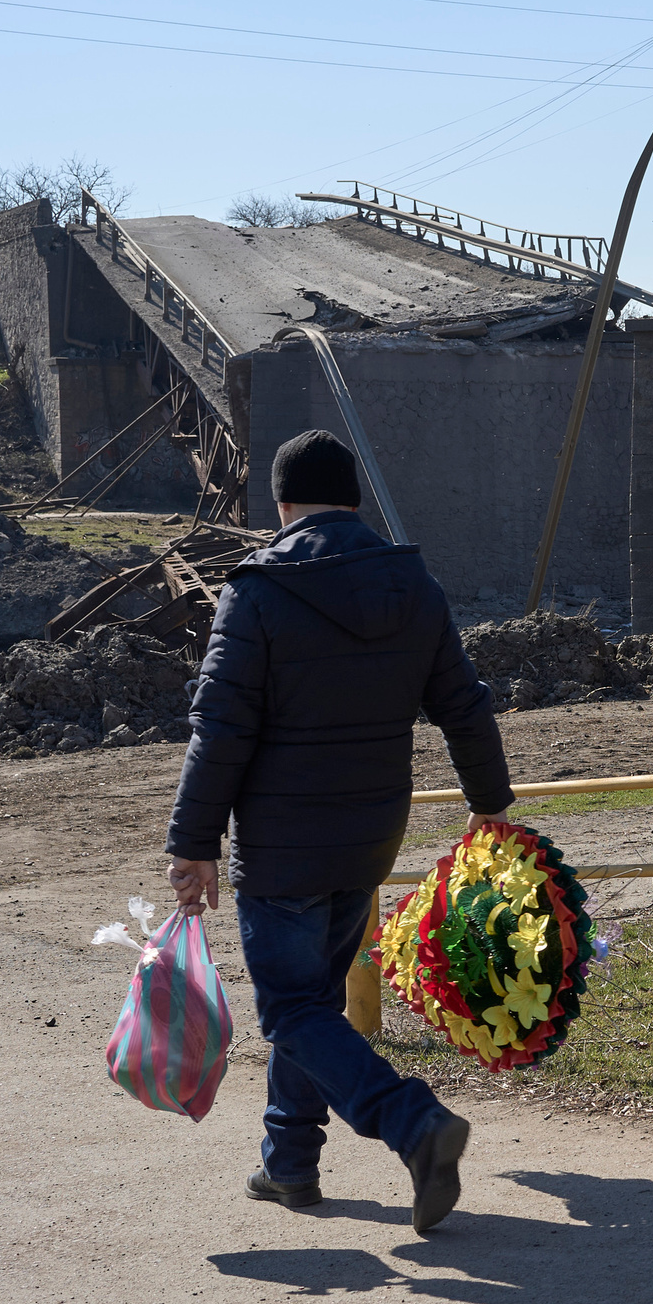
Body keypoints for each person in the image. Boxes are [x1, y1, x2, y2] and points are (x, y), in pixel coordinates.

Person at [161, 429, 511, 1234]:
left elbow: (220, 729)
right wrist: (490, 801)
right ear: (353, 500)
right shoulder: (412, 585)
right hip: (369, 835)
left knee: (291, 1011)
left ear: (282, 505)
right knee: (314, 1002)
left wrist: (192, 843)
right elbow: (464, 702)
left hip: (283, 844)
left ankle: (413, 1123)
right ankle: (290, 1163)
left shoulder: (256, 591)